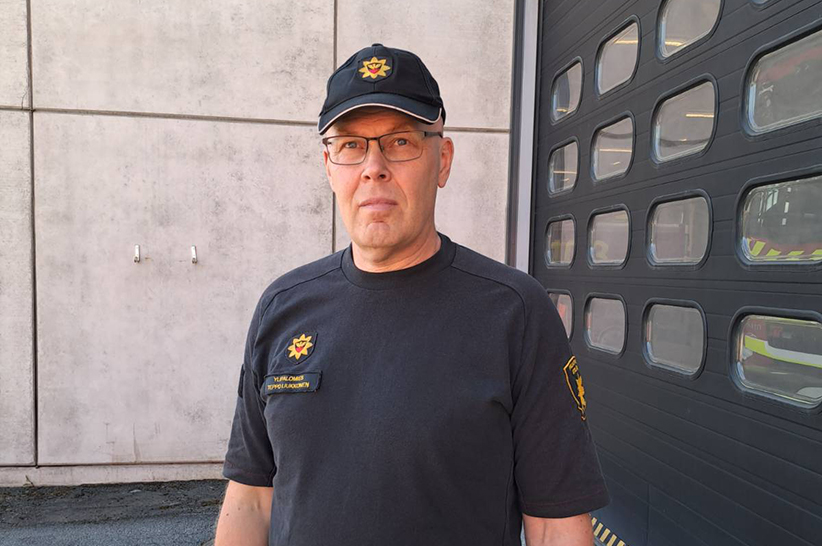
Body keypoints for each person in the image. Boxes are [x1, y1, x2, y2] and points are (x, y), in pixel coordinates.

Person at [214, 43, 609, 546]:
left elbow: (556, 527)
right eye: (350, 145)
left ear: (442, 161)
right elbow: (251, 498)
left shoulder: (515, 314)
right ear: (329, 166)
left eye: (400, 141)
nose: (373, 167)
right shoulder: (282, 308)